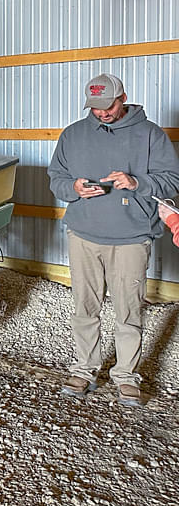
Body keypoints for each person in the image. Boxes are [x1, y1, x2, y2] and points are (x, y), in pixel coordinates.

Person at [48, 73, 179, 407]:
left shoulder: (151, 135)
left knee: (129, 310)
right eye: (95, 108)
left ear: (123, 97)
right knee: (85, 307)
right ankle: (85, 369)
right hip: (83, 235)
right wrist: (72, 189)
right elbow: (57, 179)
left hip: (131, 238)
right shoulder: (73, 135)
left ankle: (125, 376)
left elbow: (171, 181)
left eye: (108, 106)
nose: (103, 113)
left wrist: (137, 182)